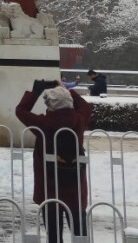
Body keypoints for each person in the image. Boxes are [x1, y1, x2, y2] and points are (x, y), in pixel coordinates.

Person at [15, 80, 93, 243]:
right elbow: (85, 107)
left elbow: (20, 111)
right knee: (80, 235)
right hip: (75, 187)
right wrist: (66, 90)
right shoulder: (79, 120)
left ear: (50, 104)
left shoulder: (43, 123)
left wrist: (35, 93)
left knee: (54, 236)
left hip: (50, 187)